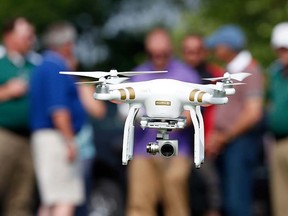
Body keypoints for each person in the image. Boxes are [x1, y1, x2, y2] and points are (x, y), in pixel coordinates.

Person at [126, 28, 200, 216]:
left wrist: (172, 123)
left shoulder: (186, 74)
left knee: (176, 206)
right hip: (143, 149)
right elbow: (127, 106)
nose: (158, 56)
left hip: (175, 149)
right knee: (139, 205)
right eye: (153, 53)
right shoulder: (137, 74)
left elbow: (193, 110)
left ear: (170, 49)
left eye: (163, 52)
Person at [205, 25, 264, 216]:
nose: (215, 50)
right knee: (229, 202)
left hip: (240, 143)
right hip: (229, 143)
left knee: (238, 203)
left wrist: (225, 136)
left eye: (218, 46)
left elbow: (253, 112)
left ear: (228, 47)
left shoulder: (250, 70)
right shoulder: (232, 70)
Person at [30, 21, 86, 216]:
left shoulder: (43, 65)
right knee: (64, 198)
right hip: (56, 138)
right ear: (67, 44)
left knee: (51, 200)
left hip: (48, 138)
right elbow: (59, 110)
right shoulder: (55, 67)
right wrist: (70, 141)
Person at [182, 34, 222, 216]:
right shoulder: (178, 76)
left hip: (207, 142)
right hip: (183, 144)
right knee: (188, 194)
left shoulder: (215, 75)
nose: (193, 56)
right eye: (189, 52)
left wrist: (217, 134)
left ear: (204, 52)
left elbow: (223, 110)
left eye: (197, 51)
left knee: (211, 193)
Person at [0, 17, 36, 216]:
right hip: (4, 136)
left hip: (30, 138)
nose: (31, 40)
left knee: (22, 199)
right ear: (9, 37)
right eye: (26, 35)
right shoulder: (1, 64)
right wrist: (7, 90)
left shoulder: (34, 65)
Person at [266, 22, 288, 216]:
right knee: (280, 200)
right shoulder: (274, 73)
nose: (284, 53)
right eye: (280, 49)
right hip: (277, 142)